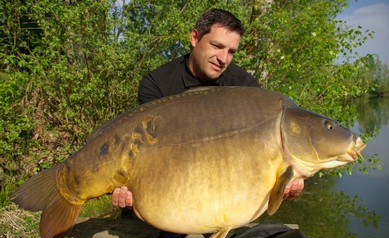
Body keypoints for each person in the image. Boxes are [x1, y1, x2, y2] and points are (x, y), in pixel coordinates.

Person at [112, 8, 304, 220]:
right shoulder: (157, 84)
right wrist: (128, 184)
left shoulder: (245, 88)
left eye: (231, 52)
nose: (223, 58)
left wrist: (286, 179)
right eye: (217, 46)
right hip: (167, 191)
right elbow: (144, 151)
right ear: (195, 38)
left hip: (222, 194)